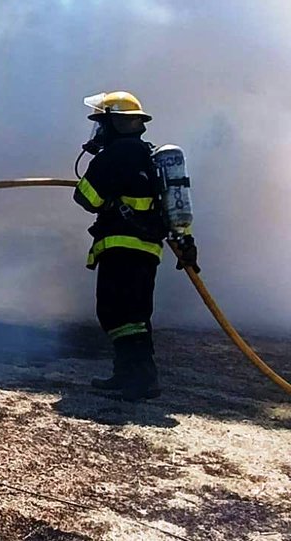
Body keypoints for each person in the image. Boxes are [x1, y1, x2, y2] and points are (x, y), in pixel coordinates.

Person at [73, 90, 198, 401]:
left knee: (118, 313)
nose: (98, 131)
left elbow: (87, 198)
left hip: (121, 247)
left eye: (101, 124)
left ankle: (139, 379)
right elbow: (172, 205)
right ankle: (129, 375)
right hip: (146, 250)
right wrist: (186, 240)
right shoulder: (149, 154)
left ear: (115, 123)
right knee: (134, 314)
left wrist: (96, 159)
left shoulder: (114, 155)